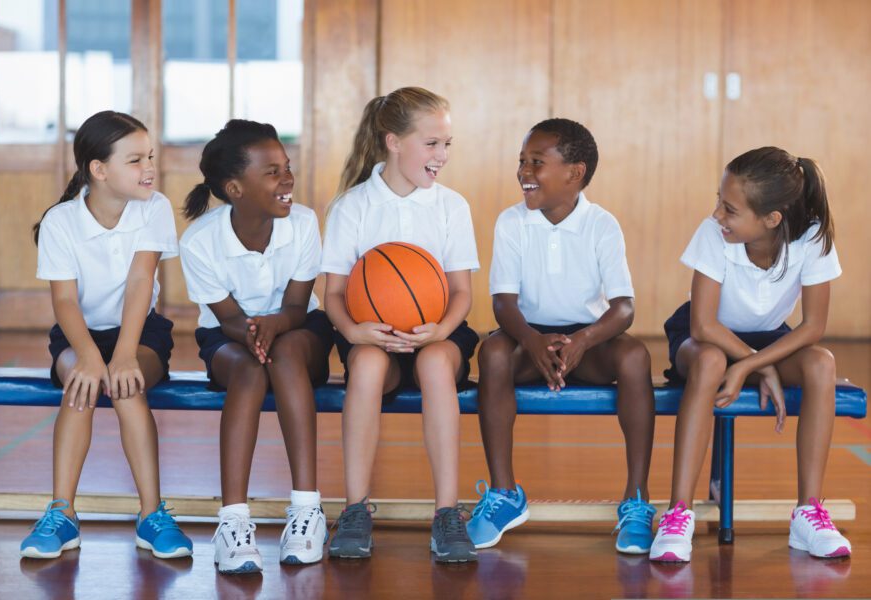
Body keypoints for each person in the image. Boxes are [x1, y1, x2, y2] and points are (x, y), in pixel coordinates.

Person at [650, 147, 850, 562]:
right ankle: (678, 512)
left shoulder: (811, 238)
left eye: (729, 209)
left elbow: (813, 327)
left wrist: (755, 365)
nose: (717, 215)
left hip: (767, 340)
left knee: (821, 363)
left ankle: (808, 511)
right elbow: (704, 326)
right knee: (710, 362)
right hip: (703, 337)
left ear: (772, 219)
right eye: (719, 202)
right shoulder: (713, 234)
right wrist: (760, 369)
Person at [469, 118, 656, 554]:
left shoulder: (602, 225)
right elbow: (503, 304)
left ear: (575, 173)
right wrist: (534, 342)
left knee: (634, 357)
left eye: (537, 163)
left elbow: (624, 307)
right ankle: (503, 494)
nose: (524, 172)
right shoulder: (511, 222)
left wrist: (583, 341)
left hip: (586, 346)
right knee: (492, 352)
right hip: (524, 339)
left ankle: (637, 499)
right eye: (521, 162)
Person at [22, 111, 191, 560]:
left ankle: (152, 515)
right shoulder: (61, 221)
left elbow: (140, 284)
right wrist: (88, 357)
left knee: (126, 387)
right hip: (78, 333)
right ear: (98, 169)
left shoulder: (153, 207)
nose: (149, 168)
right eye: (135, 160)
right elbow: (65, 303)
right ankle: (62, 514)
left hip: (139, 330)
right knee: (81, 386)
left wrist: (122, 356)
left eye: (150, 157)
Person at [322, 87, 480, 563]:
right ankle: (354, 508)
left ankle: (447, 514)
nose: (442, 156)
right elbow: (331, 294)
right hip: (372, 334)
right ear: (393, 142)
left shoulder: (451, 206)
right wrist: (353, 333)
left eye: (447, 144)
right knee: (367, 367)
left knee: (435, 367)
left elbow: (463, 292)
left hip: (439, 332)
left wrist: (440, 329)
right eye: (432, 144)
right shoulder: (353, 206)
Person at [179, 119, 334, 572]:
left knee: (284, 354)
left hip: (298, 329)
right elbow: (225, 318)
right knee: (248, 372)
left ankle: (307, 509)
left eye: (286, 167)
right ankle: (233, 523)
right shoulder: (199, 242)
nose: (287, 179)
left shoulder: (303, 223)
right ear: (234, 188)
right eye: (271, 171)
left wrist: (272, 326)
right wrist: (251, 331)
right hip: (230, 336)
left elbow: (299, 306)